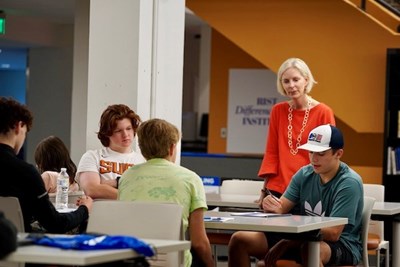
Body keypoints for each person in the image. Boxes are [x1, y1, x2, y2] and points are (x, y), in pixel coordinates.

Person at [228, 124, 363, 267]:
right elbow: (281, 208)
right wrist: (272, 205)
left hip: (341, 244)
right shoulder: (304, 174)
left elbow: (333, 233)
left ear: (338, 154)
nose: (313, 159)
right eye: (310, 152)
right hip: (301, 238)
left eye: (321, 154)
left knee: (311, 250)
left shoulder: (349, 182)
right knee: (239, 240)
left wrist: (289, 240)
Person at [118, 118, 214, 267]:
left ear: (142, 150)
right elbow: (200, 243)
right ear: (171, 148)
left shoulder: (126, 177)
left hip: (133, 260)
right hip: (174, 262)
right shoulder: (191, 179)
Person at [0, 97, 92, 233]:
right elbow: (55, 223)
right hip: (16, 247)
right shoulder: (25, 173)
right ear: (19, 127)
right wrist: (84, 209)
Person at [258, 58, 336, 201]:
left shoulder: (323, 112)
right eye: (286, 81)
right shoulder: (277, 111)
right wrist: (264, 190)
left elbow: (328, 156)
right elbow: (271, 152)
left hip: (310, 188)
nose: (291, 85)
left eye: (296, 79)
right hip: (277, 187)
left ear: (306, 80)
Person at [75, 104, 145, 199]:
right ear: (107, 133)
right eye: (118, 131)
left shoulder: (142, 161)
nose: (125, 134)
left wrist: (103, 183)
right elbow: (92, 189)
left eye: (128, 128)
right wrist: (119, 183)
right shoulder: (92, 157)